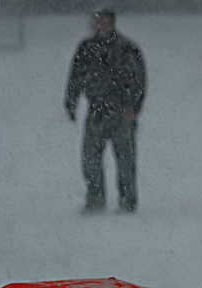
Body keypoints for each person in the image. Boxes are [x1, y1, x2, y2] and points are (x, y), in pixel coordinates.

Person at [64, 9, 146, 213]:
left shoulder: (127, 49)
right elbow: (75, 75)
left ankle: (128, 202)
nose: (99, 25)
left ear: (112, 23)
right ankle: (95, 199)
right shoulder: (86, 48)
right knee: (90, 159)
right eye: (97, 21)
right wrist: (71, 102)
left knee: (125, 161)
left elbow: (139, 81)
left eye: (104, 21)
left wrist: (133, 109)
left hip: (122, 113)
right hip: (97, 111)